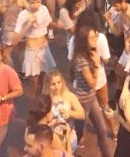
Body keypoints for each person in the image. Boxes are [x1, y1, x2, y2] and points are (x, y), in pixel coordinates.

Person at [69, 25, 112, 157]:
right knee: (77, 134)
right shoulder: (82, 60)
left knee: (102, 130)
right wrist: (97, 64)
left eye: (95, 37)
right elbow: (92, 84)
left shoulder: (90, 54)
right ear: (84, 41)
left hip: (91, 98)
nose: (95, 40)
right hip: (83, 101)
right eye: (92, 38)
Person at [12, 0, 56, 90]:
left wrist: (58, 25)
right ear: (27, 1)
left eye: (38, 2)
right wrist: (27, 25)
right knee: (34, 83)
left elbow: (49, 24)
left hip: (44, 48)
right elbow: (14, 40)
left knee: (48, 78)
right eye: (32, 2)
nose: (35, 5)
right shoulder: (23, 15)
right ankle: (35, 102)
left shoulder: (44, 9)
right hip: (32, 51)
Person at [43, 69, 84, 154]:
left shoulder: (69, 96)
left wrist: (69, 113)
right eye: (53, 84)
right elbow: (39, 123)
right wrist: (48, 117)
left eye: (59, 82)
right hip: (52, 139)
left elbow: (82, 115)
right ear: (47, 85)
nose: (57, 87)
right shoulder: (45, 100)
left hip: (67, 136)